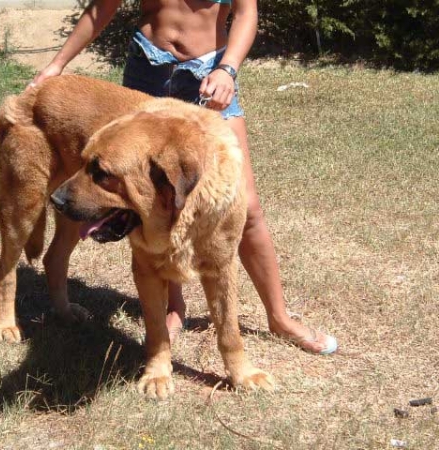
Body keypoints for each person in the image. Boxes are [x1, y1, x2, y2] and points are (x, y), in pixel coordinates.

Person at [27, 0, 338, 354]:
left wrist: (228, 69)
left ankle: (278, 316)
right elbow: (102, 8)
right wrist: (57, 64)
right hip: (148, 71)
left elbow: (246, 13)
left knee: (247, 206)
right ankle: (175, 308)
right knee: (155, 205)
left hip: (210, 76)